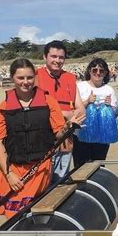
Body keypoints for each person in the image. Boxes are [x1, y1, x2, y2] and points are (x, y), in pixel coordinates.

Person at [0, 58, 82, 236]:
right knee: (12, 222)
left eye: (29, 78)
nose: (26, 82)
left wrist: (70, 126)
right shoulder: (2, 107)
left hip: (39, 171)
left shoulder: (48, 101)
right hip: (14, 173)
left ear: (35, 78)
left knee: (34, 220)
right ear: (12, 79)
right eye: (20, 78)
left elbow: (57, 134)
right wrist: (8, 173)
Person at [36, 40, 85, 183]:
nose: (57, 60)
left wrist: (74, 115)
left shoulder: (69, 79)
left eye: (61, 57)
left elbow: (81, 109)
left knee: (59, 183)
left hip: (65, 141)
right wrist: (64, 114)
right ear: (45, 57)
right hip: (41, 142)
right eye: (53, 56)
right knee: (41, 183)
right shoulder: (35, 77)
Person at [73, 58, 118, 168]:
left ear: (106, 73)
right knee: (80, 168)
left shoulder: (109, 90)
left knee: (99, 168)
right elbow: (74, 110)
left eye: (101, 71)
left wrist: (110, 107)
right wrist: (87, 102)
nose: (97, 73)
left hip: (102, 137)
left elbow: (115, 114)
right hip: (81, 137)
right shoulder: (80, 86)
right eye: (94, 70)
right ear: (89, 71)